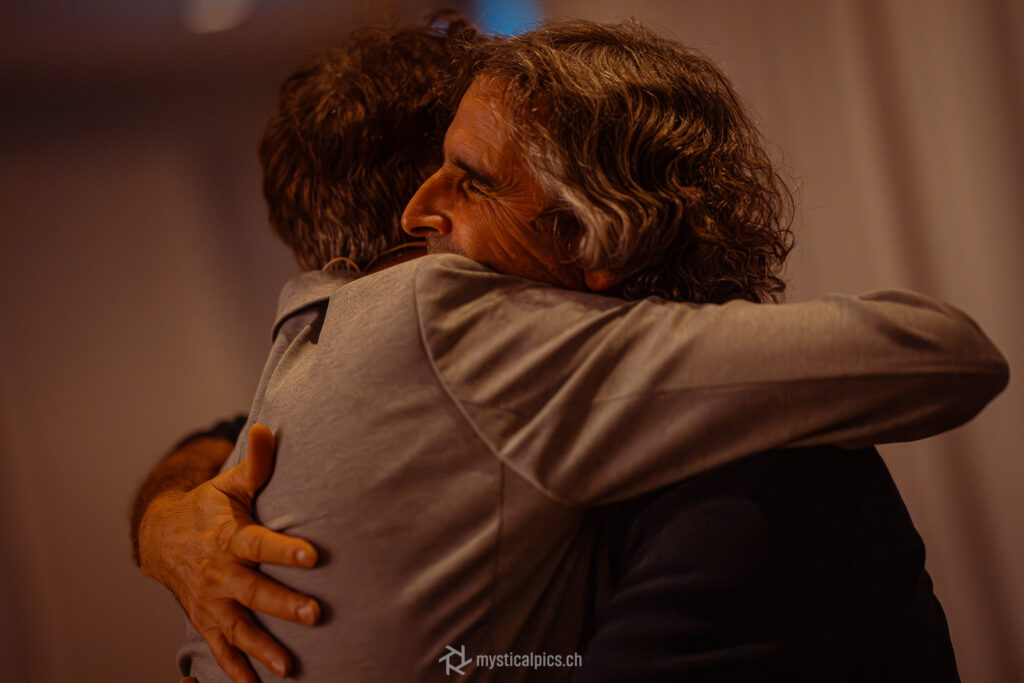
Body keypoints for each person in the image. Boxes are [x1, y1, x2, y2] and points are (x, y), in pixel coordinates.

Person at [135, 17, 1007, 683]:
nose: (418, 216)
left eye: (469, 180)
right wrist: (167, 521)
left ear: (595, 231)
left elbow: (949, 354)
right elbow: (234, 434)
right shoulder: (422, 349)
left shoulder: (756, 474)